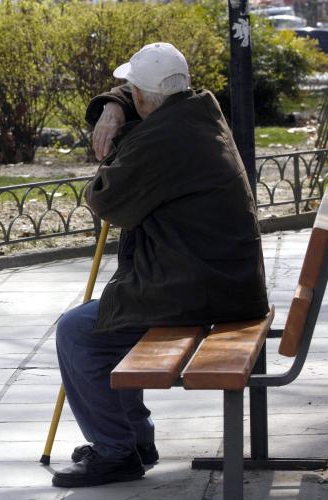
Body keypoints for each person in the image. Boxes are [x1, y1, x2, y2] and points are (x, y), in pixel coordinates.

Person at [51, 42, 269, 488]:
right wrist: (114, 106)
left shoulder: (164, 140)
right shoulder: (195, 114)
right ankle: (133, 439)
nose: (128, 96)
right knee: (112, 321)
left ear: (146, 98)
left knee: (78, 333)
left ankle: (116, 451)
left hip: (201, 288)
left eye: (130, 91)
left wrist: (115, 134)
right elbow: (141, 112)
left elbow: (107, 200)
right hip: (217, 279)